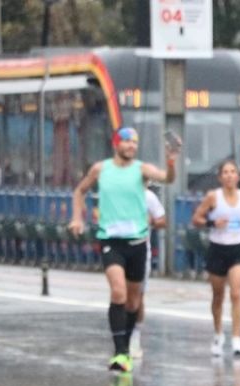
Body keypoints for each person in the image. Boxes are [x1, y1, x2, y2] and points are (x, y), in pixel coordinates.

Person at [68, 127, 178, 373]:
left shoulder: (142, 170)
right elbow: (79, 191)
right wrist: (78, 218)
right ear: (116, 144)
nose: (131, 146)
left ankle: (126, 347)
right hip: (111, 241)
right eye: (127, 142)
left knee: (133, 301)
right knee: (118, 292)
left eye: (135, 143)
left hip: (137, 243)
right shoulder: (101, 169)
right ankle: (119, 353)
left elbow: (168, 179)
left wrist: (171, 161)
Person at [191, 160, 240, 357]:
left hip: (239, 248)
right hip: (218, 248)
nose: (229, 176)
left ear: (238, 176)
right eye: (225, 173)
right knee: (218, 295)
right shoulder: (213, 197)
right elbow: (196, 219)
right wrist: (213, 222)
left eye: (233, 172)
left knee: (236, 293)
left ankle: (237, 338)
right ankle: (218, 333)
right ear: (220, 177)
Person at [129, 185, 168, 359]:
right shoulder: (118, 194)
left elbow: (162, 221)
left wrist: (150, 221)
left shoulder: (149, 196)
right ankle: (122, 336)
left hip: (141, 250)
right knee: (120, 294)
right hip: (118, 249)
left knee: (137, 296)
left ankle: (135, 335)